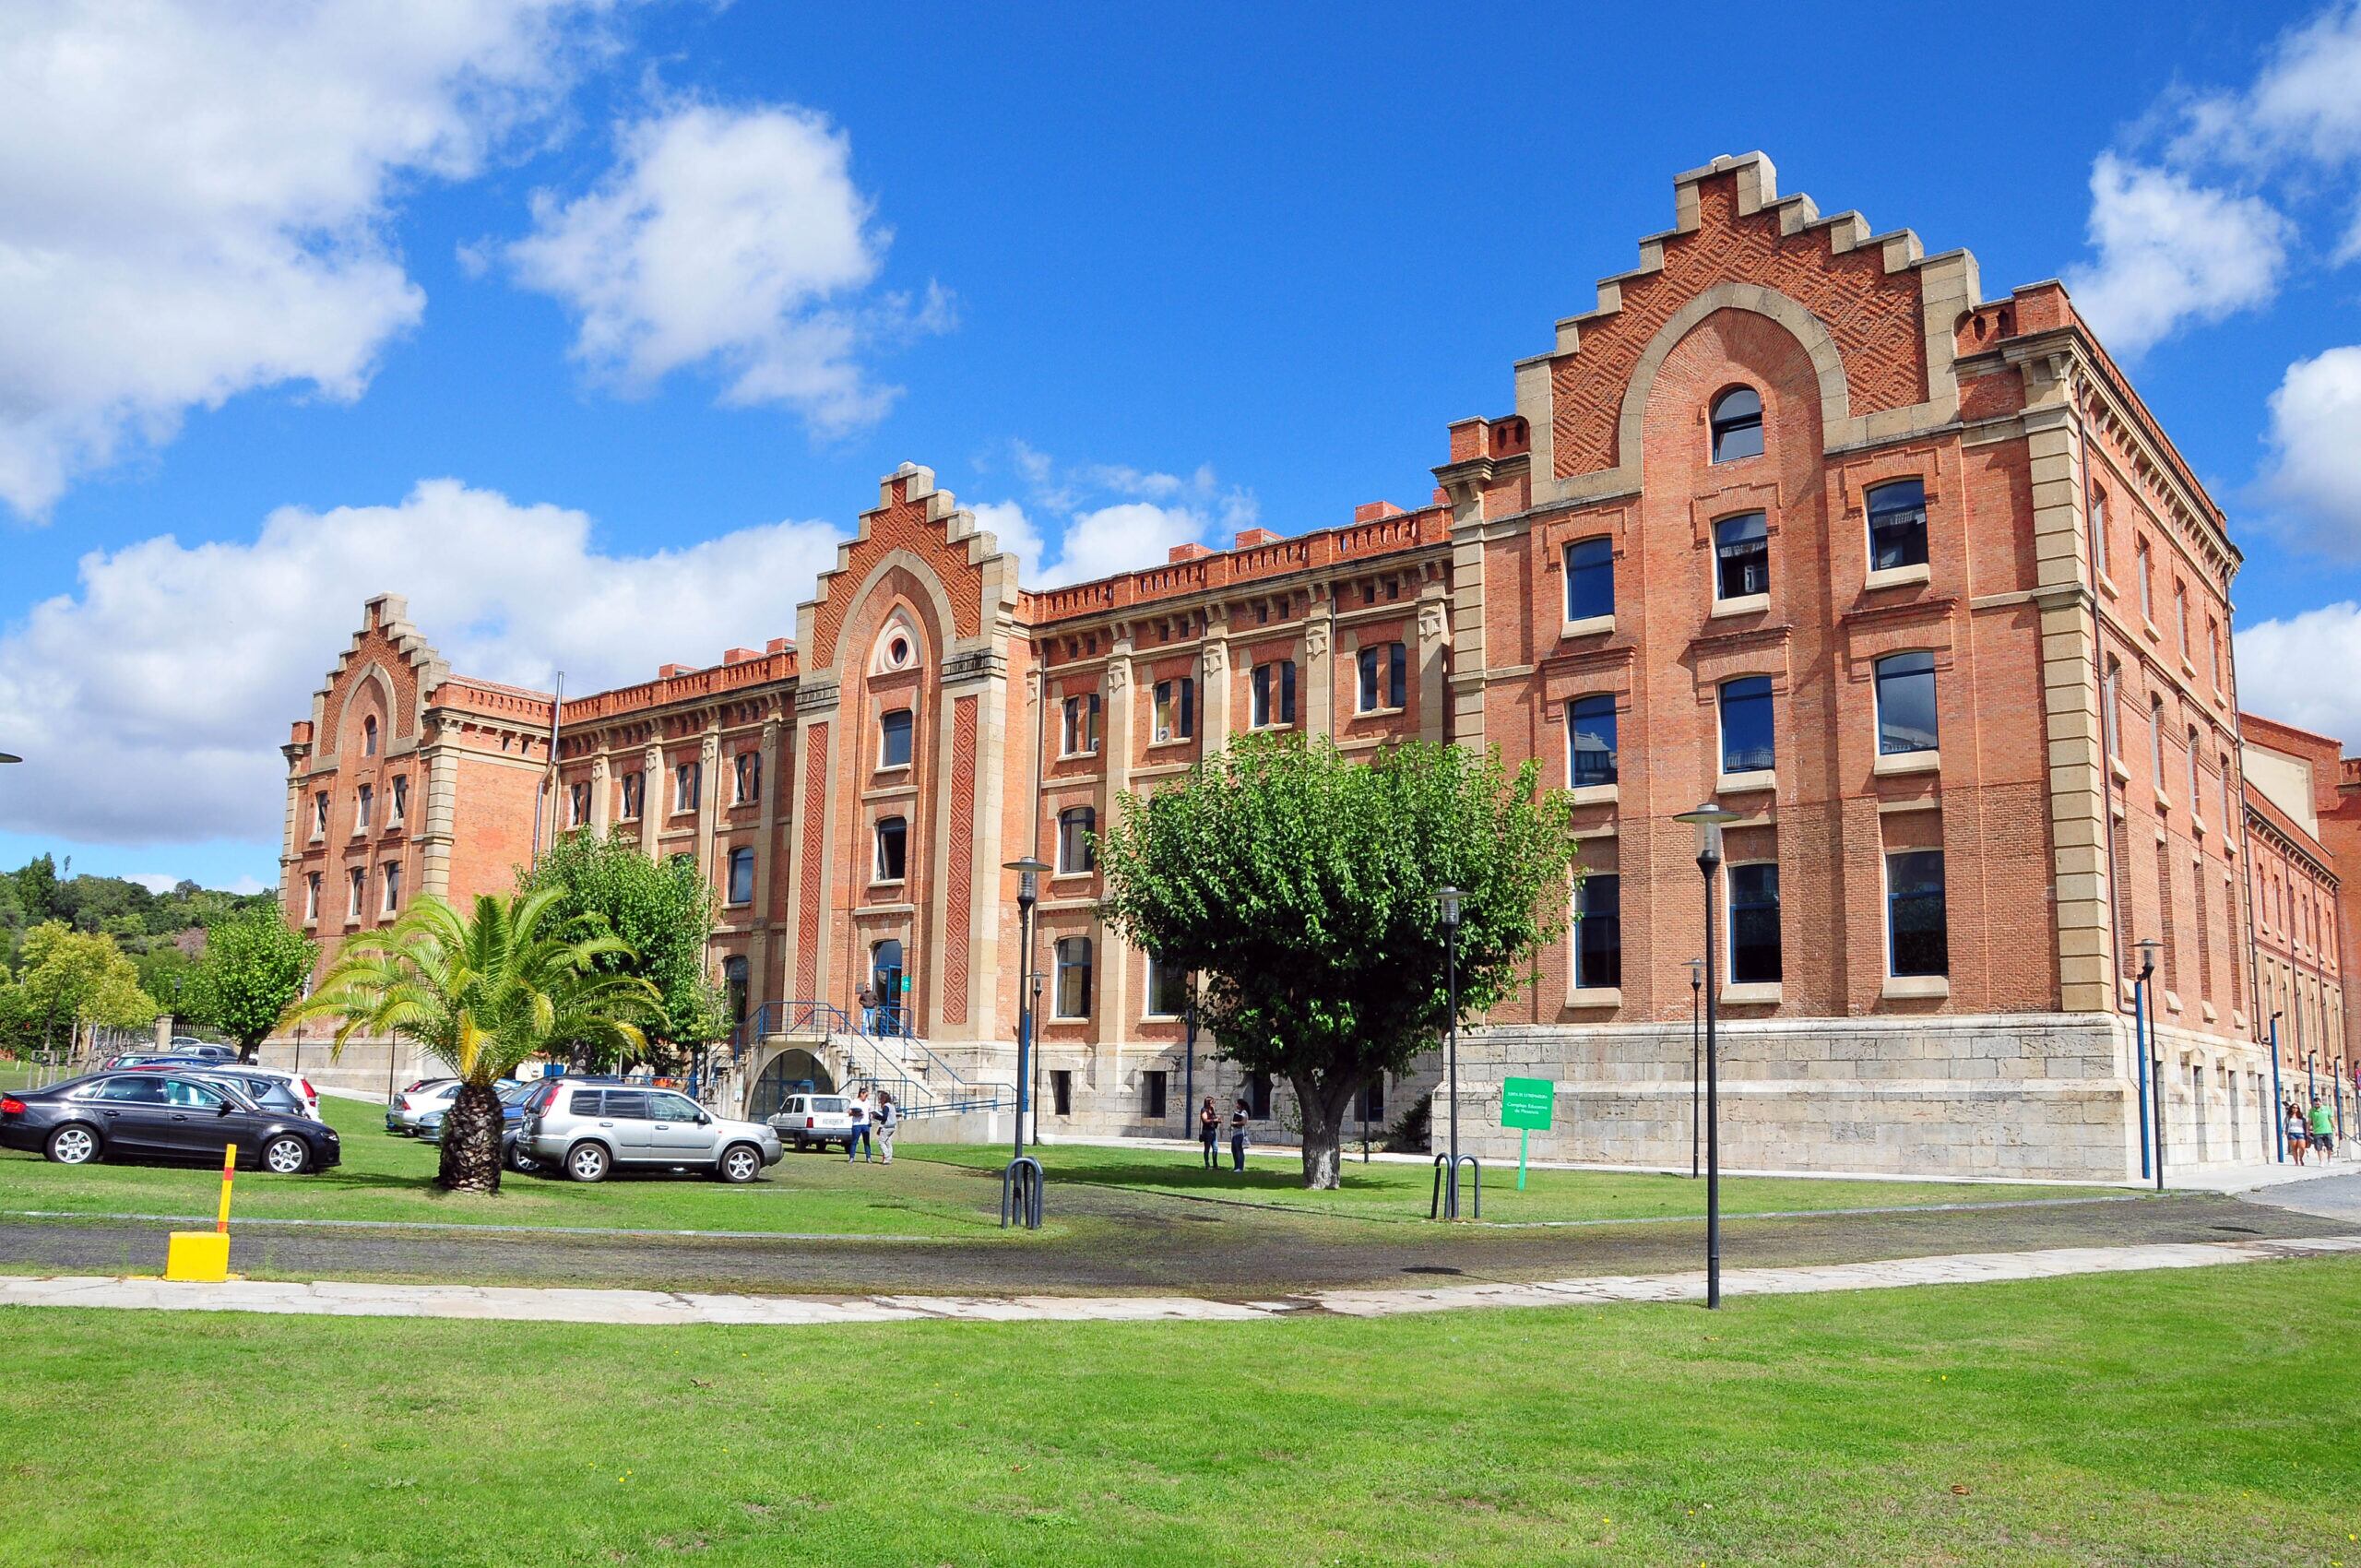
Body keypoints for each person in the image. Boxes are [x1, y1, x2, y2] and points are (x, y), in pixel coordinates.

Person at [847, 1086, 873, 1162]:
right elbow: (849, 1112)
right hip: (857, 1124)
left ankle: (868, 1157)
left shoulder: (867, 1102)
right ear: (861, 1094)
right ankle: (852, 1157)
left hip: (865, 1124)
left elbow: (870, 1111)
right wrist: (856, 1114)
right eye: (866, 1095)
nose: (866, 1097)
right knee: (854, 1141)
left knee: (866, 1142)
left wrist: (871, 1116)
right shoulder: (855, 1101)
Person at [874, 1090, 898, 1165]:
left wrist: (876, 1116)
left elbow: (884, 1118)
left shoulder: (885, 1107)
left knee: (881, 1142)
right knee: (888, 1143)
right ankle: (889, 1158)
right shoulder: (892, 1106)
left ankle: (887, 1156)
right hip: (893, 1127)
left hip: (887, 1127)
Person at [1198, 1096, 1221, 1170]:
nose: (1213, 1103)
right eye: (1212, 1102)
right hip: (1207, 1131)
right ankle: (1207, 1165)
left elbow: (1213, 1118)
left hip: (1213, 1131)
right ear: (1208, 1103)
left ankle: (1215, 1164)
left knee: (1215, 1148)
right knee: (1207, 1148)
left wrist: (1218, 1120)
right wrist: (1214, 1120)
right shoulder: (1204, 1110)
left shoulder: (1212, 1109)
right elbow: (1205, 1120)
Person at [1228, 1095, 1251, 1173]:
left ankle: (1240, 1168)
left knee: (1239, 1150)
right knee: (1234, 1150)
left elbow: (1243, 1122)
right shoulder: (1238, 1112)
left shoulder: (1244, 1112)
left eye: (1237, 1104)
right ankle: (1236, 1166)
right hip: (1235, 1133)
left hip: (1240, 1134)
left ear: (1240, 1105)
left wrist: (1235, 1122)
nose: (1236, 1105)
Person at [2310, 1098, 2336, 1162]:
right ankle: (2321, 1161)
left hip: (2327, 1130)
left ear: (2321, 1103)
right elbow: (2309, 1121)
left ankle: (2329, 1158)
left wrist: (2335, 1128)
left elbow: (2331, 1119)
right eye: (2316, 1104)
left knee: (2329, 1146)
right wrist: (2307, 1130)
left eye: (2318, 1104)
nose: (2317, 1105)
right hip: (2317, 1131)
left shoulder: (2326, 1109)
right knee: (2319, 1147)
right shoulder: (2312, 1110)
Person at [2287, 1101, 2309, 1165]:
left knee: (2302, 1147)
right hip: (2292, 1133)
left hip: (2301, 1133)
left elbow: (2306, 1124)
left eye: (2296, 1108)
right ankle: (2296, 1162)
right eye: (2293, 1107)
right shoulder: (2289, 1117)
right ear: (2291, 1108)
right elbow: (2285, 1125)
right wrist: (2284, 1132)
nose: (2295, 1109)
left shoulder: (2302, 1117)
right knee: (2294, 1148)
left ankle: (2301, 1159)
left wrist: (2307, 1131)